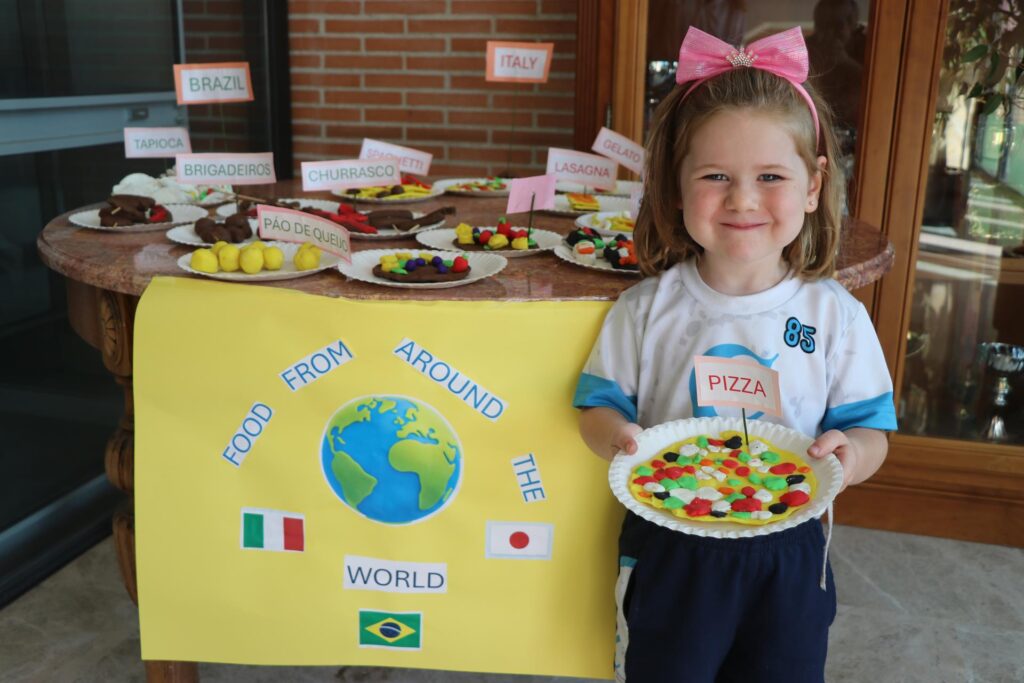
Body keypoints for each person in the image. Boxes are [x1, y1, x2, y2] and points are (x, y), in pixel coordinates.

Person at [574, 26, 897, 683]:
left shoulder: (834, 315)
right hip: (670, 545)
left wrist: (853, 453)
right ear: (675, 186)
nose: (744, 198)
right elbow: (596, 407)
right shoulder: (645, 309)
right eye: (715, 175)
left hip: (791, 549)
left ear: (812, 185)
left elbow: (871, 427)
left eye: (770, 176)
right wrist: (618, 436)